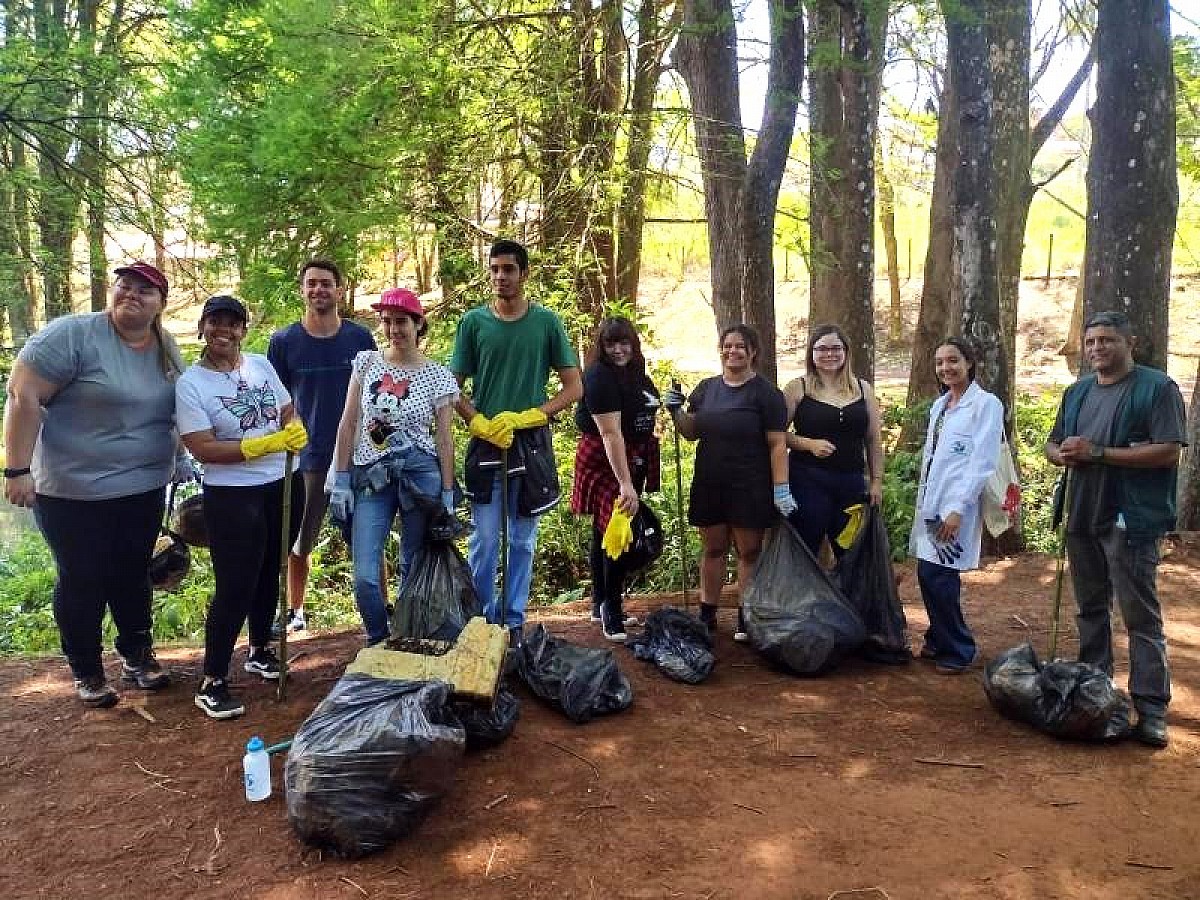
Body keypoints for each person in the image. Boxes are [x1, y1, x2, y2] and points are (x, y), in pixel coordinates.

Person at [3, 261, 190, 707]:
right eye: (124, 285)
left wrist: (181, 457)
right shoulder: (71, 336)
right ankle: (87, 670)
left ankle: (137, 658)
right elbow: (22, 396)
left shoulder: (165, 345)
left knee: (132, 573)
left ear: (160, 304)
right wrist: (16, 469)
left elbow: (175, 405)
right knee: (82, 577)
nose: (132, 294)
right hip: (73, 492)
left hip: (143, 487)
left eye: (145, 290)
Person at [1045, 311, 1186, 748]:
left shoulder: (1157, 388)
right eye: (1090, 342)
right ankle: (1095, 692)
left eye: (1106, 341)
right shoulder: (1078, 392)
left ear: (1131, 343)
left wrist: (1099, 452)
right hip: (1082, 512)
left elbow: (1168, 452)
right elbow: (1052, 444)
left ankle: (1151, 708)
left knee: (1139, 614)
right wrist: (1062, 454)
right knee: (1089, 607)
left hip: (1130, 515)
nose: (1096, 349)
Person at [177, 295, 308, 719]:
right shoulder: (192, 384)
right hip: (234, 494)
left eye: (232, 323)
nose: (224, 331)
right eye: (215, 322)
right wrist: (260, 445)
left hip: (283, 483)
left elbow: (287, 408)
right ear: (202, 327)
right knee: (236, 582)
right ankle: (213, 679)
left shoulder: (259, 365)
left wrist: (294, 428)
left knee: (270, 568)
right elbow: (201, 447)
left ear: (242, 329)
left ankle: (259, 650)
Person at [450, 239, 582, 644]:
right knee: (485, 538)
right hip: (487, 442)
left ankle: (514, 618)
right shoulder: (474, 323)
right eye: (494, 269)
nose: (500, 277)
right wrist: (479, 422)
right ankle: (481, 621)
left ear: (524, 274)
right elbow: (452, 387)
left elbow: (574, 386)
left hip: (531, 442)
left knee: (522, 539)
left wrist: (537, 413)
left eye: (508, 269)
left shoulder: (546, 323)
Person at [330, 288, 459, 646]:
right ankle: (377, 637)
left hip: (421, 477)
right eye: (386, 322)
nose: (393, 329)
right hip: (373, 474)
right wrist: (341, 478)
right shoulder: (367, 363)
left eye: (401, 321)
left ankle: (405, 638)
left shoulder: (437, 375)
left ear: (419, 324)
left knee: (412, 567)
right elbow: (349, 422)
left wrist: (447, 494)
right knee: (365, 578)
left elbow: (445, 440)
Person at [662, 324, 793, 641]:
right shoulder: (706, 389)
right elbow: (691, 432)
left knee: (748, 552)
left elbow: (777, 444)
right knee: (713, 547)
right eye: (727, 345)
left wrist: (781, 488)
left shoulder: (766, 394)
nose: (732, 351)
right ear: (720, 350)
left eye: (740, 346)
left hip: (751, 483)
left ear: (752, 352)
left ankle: (745, 616)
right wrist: (675, 410)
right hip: (711, 481)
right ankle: (707, 613)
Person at [267, 259, 376, 634]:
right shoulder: (284, 342)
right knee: (300, 537)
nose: (318, 290)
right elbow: (276, 401)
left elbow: (377, 391)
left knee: (368, 534)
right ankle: (295, 610)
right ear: (302, 289)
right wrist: (289, 430)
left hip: (361, 454)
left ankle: (377, 609)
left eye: (326, 283)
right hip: (309, 457)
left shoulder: (360, 338)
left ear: (340, 289)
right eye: (311, 284)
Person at [908, 337, 1003, 674]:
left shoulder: (986, 405)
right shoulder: (941, 406)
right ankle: (937, 638)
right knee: (927, 571)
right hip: (931, 501)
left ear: (969, 363)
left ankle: (958, 648)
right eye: (939, 363)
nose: (946, 368)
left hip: (955, 505)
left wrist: (958, 508)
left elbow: (982, 462)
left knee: (940, 574)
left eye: (953, 361)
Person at [570, 317, 660, 642]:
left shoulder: (636, 373)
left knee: (604, 531)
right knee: (618, 532)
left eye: (625, 343)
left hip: (629, 457)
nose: (619, 350)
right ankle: (612, 612)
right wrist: (625, 484)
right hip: (606, 460)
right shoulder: (599, 378)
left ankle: (600, 604)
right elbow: (610, 434)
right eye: (612, 344)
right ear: (602, 347)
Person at [782, 324, 884, 559]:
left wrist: (876, 481)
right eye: (822, 349)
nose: (830, 354)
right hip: (807, 480)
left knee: (851, 549)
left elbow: (873, 439)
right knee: (806, 546)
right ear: (812, 353)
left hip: (851, 482)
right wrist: (809, 444)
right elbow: (777, 435)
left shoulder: (863, 389)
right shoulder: (798, 387)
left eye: (836, 348)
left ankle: (850, 596)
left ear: (846, 352)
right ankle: (806, 595)